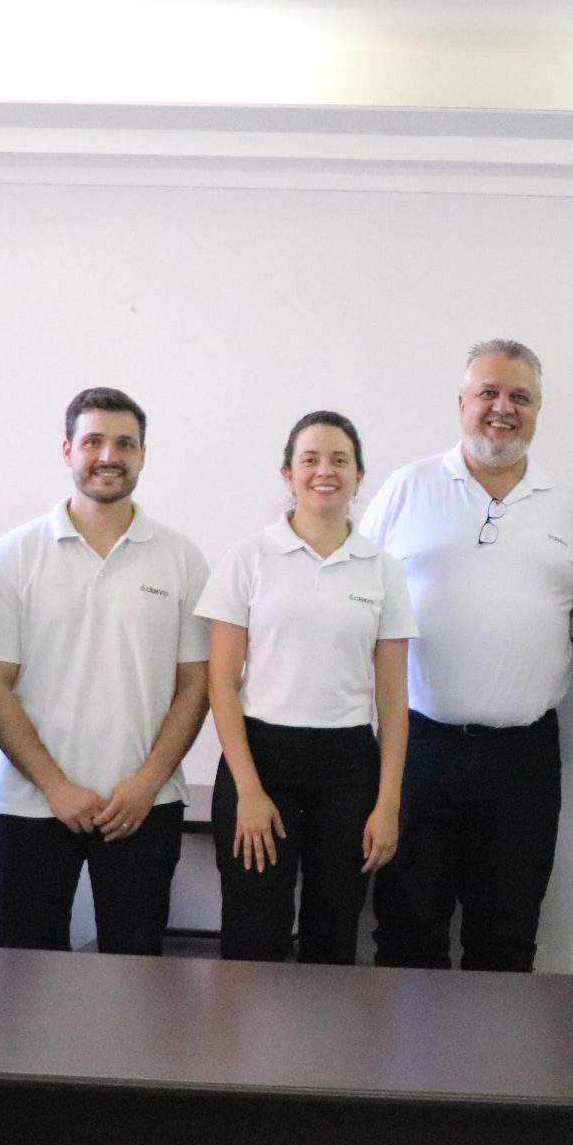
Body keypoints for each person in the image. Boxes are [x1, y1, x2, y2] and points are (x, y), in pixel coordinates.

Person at [363, 341, 573, 971]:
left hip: (521, 758)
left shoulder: (568, 508)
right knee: (407, 930)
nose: (503, 409)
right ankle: (403, 1074)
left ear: (538, 410)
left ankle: (492, 1070)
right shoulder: (407, 489)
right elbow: (355, 605)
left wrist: (511, 672)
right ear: (462, 403)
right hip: (416, 749)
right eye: (490, 394)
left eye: (520, 397)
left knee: (507, 935)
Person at [0, 387, 211, 956]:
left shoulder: (180, 557)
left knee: (136, 975)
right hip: (34, 804)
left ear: (143, 455)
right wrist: (55, 786)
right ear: (67, 450)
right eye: (94, 441)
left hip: (144, 806)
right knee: (26, 977)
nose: (108, 455)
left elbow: (195, 686)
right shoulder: (16, 554)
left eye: (125, 443)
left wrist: (147, 781)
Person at [198, 411, 414, 962]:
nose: (325, 471)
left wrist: (388, 802)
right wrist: (248, 790)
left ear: (359, 476)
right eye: (310, 459)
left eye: (340, 460)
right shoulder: (247, 558)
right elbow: (221, 683)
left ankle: (325, 1050)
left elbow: (392, 700)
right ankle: (244, 1051)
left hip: (348, 767)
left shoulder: (382, 568)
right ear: (288, 474)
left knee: (333, 935)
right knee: (254, 932)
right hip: (262, 761)